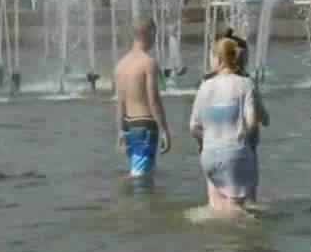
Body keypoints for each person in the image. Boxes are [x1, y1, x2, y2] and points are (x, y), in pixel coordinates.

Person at [189, 38, 262, 212]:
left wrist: (204, 144)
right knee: (239, 211)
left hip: (209, 156)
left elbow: (193, 126)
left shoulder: (205, 86)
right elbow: (252, 122)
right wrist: (250, 143)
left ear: (218, 58)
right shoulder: (245, 83)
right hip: (236, 153)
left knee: (216, 206)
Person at [112, 18, 172, 178]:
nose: (154, 39)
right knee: (140, 178)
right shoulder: (148, 63)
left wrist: (120, 132)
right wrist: (165, 130)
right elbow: (153, 100)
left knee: (142, 172)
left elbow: (120, 104)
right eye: (154, 35)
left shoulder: (120, 65)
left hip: (128, 126)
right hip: (145, 126)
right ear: (148, 33)